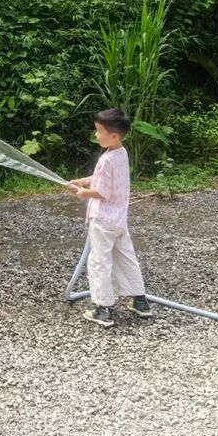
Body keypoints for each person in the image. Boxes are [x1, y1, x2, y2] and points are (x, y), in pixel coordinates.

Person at [68, 108, 152, 328]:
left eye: (99, 131)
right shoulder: (120, 153)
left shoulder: (106, 159)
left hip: (103, 221)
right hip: (118, 220)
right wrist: (82, 181)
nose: (96, 135)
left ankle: (103, 309)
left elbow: (102, 191)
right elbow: (102, 178)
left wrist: (84, 193)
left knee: (99, 262)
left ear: (113, 136)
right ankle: (140, 301)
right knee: (126, 257)